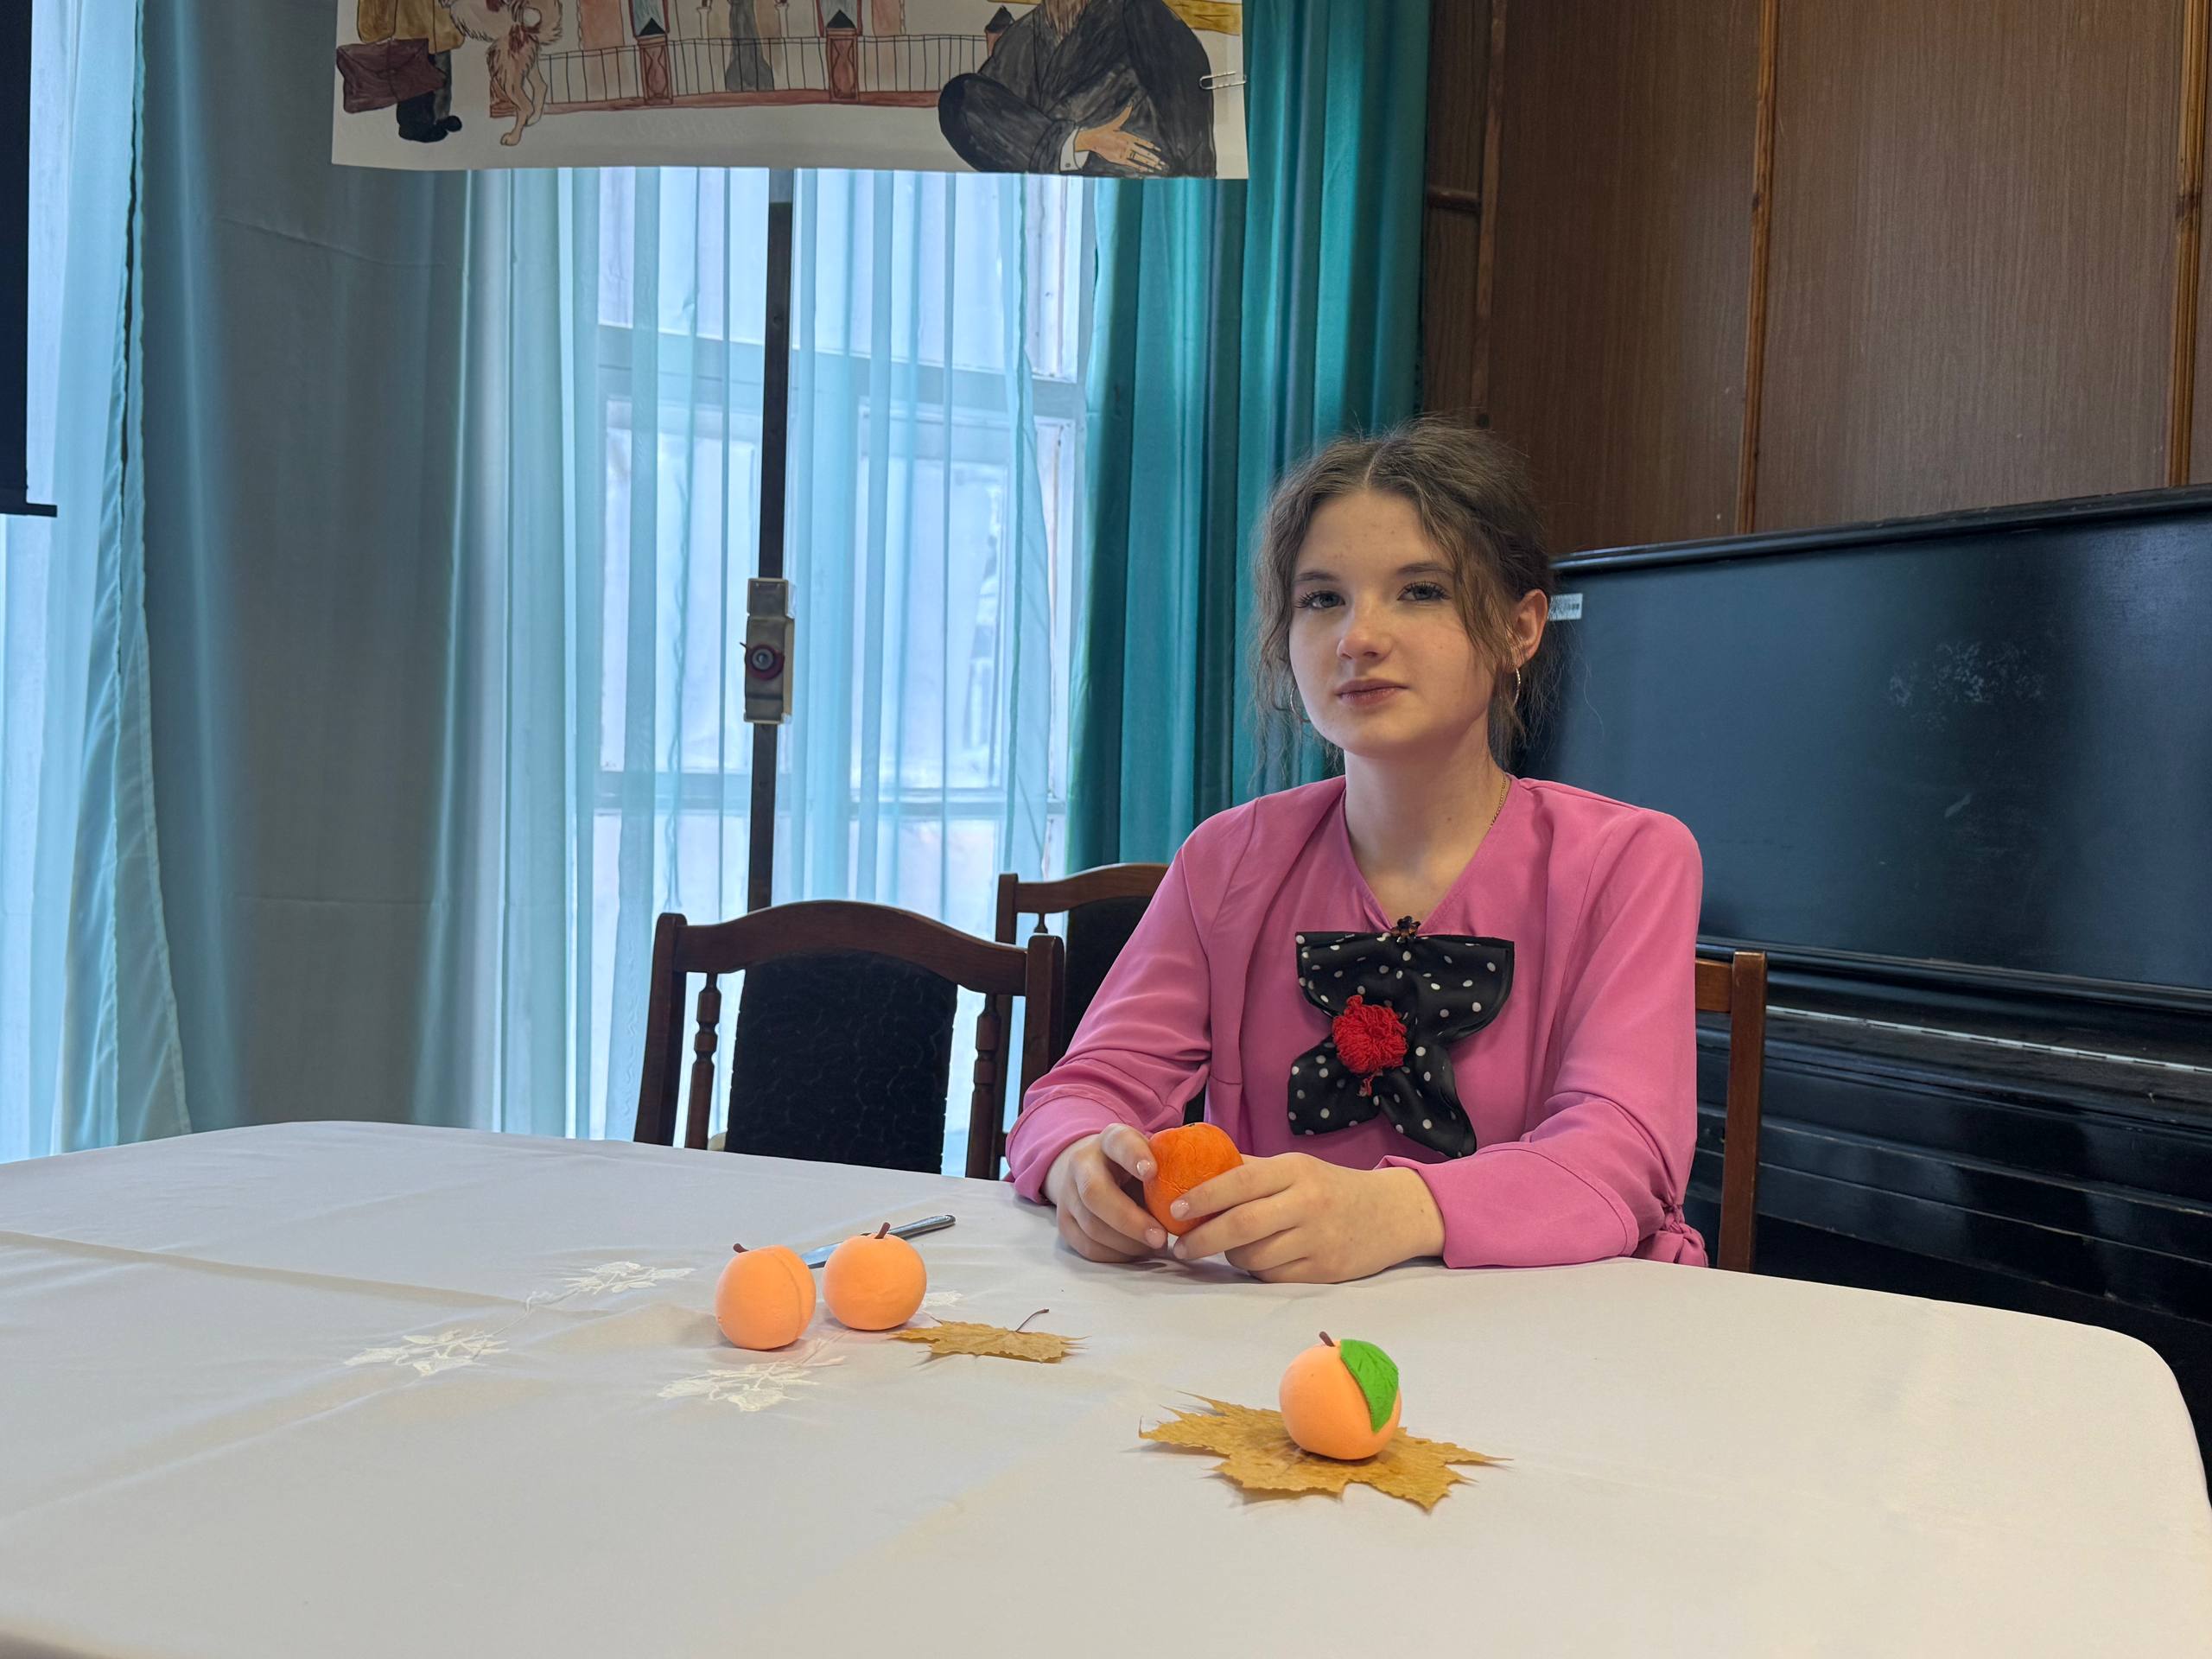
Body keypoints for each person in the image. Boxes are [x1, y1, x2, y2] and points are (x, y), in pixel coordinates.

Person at [1008, 418, 1707, 1282]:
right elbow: (1084, 1089)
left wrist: (1394, 1210)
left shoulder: (1631, 859)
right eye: (1321, 599)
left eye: (1421, 591)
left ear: (1520, 628)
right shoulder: (1225, 859)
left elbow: (1624, 1150)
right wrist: (1080, 1162)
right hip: (1281, 1333)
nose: (1358, 638)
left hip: (1555, 1327)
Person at [938, 0, 1215, 177]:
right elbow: (984, 118)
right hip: (1047, 189)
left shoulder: (1146, 17)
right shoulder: (1021, 37)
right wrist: (1078, 142)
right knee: (959, 95)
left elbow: (1191, 129)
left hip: (1131, 179)